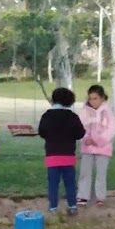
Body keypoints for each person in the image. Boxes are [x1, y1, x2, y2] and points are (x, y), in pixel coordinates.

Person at [37, 86, 86, 214]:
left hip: (52, 156)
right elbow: (81, 133)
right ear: (70, 101)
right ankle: (72, 206)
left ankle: (53, 207)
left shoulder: (47, 115)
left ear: (54, 100)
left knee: (53, 183)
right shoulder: (72, 116)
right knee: (70, 183)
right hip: (68, 156)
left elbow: (41, 132)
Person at [76, 84, 115, 207]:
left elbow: (112, 129)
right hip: (87, 147)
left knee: (101, 173)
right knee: (85, 172)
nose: (92, 101)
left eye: (95, 98)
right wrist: (86, 138)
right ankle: (83, 195)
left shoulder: (108, 112)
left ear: (102, 98)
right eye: (90, 98)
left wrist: (99, 140)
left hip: (103, 148)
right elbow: (79, 127)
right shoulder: (84, 111)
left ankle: (100, 197)